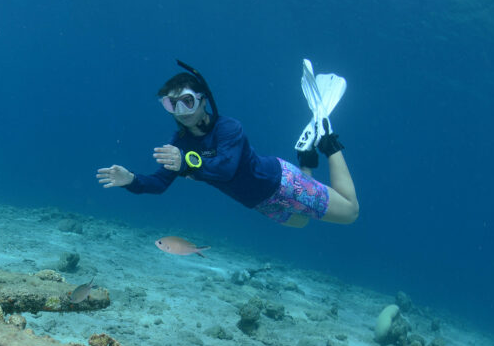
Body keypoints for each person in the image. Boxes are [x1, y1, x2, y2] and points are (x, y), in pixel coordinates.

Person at [96, 61, 359, 227]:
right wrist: (131, 180)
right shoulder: (178, 144)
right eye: (170, 103)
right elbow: (159, 184)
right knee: (301, 222)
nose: (181, 110)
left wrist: (186, 163)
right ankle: (306, 154)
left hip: (282, 182)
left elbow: (226, 169)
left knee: (349, 213)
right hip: (257, 201)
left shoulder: (228, 128)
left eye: (187, 101)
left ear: (202, 99)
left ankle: (327, 138)